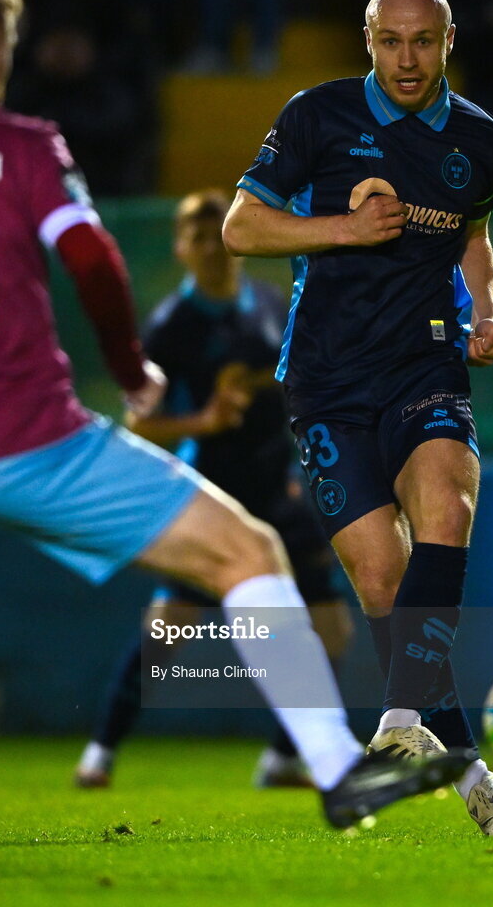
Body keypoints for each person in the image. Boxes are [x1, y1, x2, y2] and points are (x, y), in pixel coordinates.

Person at [0, 0, 469, 882]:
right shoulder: (19, 146)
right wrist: (132, 370)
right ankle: (333, 772)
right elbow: (91, 261)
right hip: (35, 436)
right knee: (247, 553)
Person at [223, 0, 493, 838]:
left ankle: (396, 728)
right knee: (386, 586)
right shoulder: (316, 116)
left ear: (448, 41)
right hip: (323, 378)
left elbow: (473, 237)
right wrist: (340, 230)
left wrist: (488, 309)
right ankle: (467, 772)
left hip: (423, 358)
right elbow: (241, 229)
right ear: (366, 40)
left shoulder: (480, 141)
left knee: (449, 503)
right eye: (389, 40)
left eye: (422, 41)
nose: (405, 58)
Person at [74, 190, 352, 789]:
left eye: (214, 233)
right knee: (166, 633)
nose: (208, 248)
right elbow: (140, 422)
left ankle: (282, 759)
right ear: (180, 249)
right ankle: (100, 752)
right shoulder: (171, 327)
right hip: (213, 493)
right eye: (194, 236)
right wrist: (201, 423)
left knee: (332, 632)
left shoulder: (273, 305)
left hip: (279, 492)